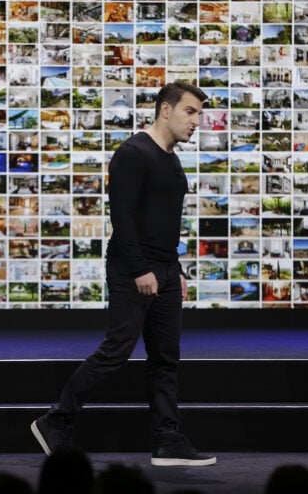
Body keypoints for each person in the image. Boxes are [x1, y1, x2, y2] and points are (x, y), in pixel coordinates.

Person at [31, 81, 216, 467]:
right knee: (115, 352)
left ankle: (168, 438)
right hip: (133, 270)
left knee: (166, 358)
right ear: (165, 110)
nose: (197, 121)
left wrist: (175, 268)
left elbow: (165, 222)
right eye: (190, 111)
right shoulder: (133, 153)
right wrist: (140, 269)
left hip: (164, 269)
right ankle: (56, 419)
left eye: (199, 113)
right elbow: (124, 219)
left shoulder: (169, 157)